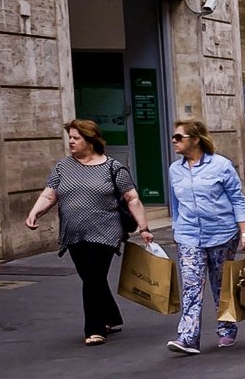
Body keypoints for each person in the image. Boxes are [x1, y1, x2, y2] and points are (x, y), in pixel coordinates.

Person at [25, 119, 152, 345]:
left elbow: (132, 198)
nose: (71, 142)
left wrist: (143, 228)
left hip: (105, 232)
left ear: (91, 141)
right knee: (91, 277)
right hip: (73, 233)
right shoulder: (63, 167)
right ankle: (111, 316)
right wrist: (35, 212)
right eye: (70, 138)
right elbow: (49, 194)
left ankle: (94, 329)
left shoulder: (113, 168)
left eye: (76, 138)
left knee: (92, 276)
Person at [165, 119, 245, 355]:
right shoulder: (175, 169)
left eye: (179, 137)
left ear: (195, 140)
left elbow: (237, 199)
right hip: (188, 235)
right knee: (191, 286)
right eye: (174, 137)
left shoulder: (221, 166)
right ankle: (188, 337)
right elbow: (175, 202)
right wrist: (176, 229)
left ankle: (226, 328)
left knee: (221, 284)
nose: (174, 141)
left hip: (222, 234)